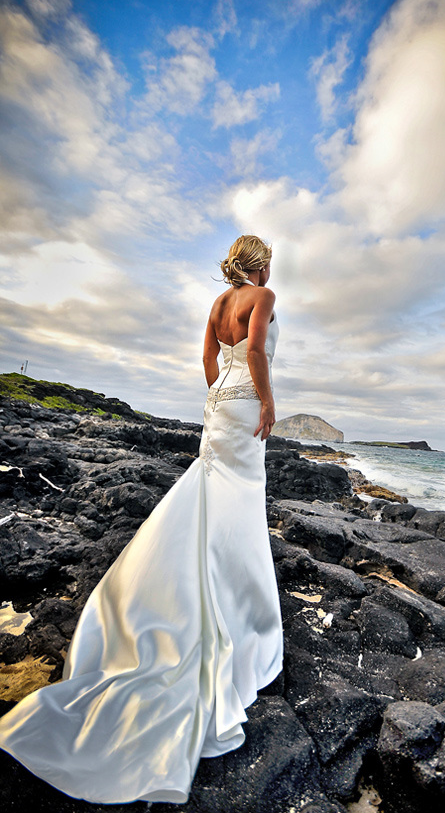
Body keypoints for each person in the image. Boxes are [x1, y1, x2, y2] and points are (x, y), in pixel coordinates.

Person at [0, 234, 283, 804]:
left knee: (211, 484)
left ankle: (199, 576)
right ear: (263, 263)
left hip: (218, 402)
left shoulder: (216, 305)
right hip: (248, 395)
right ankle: (235, 590)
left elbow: (210, 357)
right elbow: (254, 351)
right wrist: (267, 400)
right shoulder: (264, 294)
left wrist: (219, 391)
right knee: (241, 493)